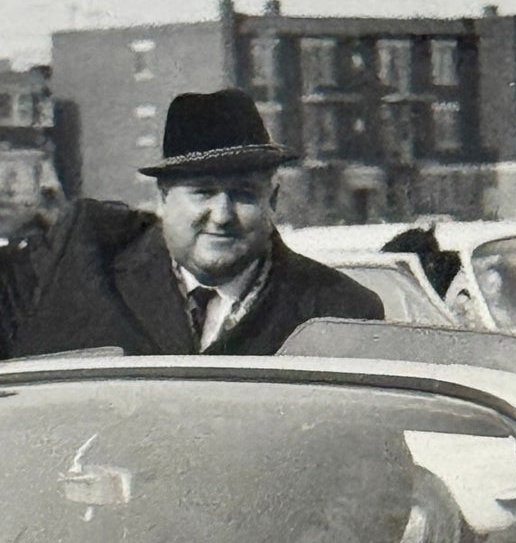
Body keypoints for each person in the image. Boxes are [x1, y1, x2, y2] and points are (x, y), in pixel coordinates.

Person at [6, 88, 382, 358]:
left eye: (244, 194)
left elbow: (368, 457)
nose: (222, 215)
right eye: (203, 192)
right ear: (163, 198)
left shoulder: (340, 311)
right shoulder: (85, 256)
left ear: (273, 201)